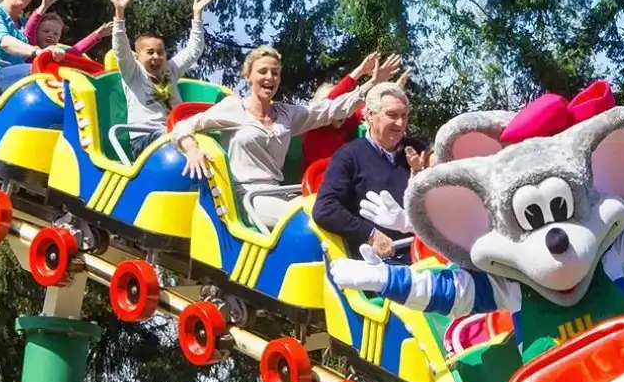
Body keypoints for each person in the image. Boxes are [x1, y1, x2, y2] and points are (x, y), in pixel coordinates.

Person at [170, 45, 367, 231]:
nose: (269, 77)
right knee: (306, 218)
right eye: (263, 71)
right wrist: (191, 148)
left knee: (326, 209)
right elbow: (182, 126)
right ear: (248, 76)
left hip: (278, 192)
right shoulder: (233, 107)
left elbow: (328, 109)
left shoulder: (285, 114)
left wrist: (368, 86)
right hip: (246, 197)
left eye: (275, 73)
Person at [311, 82, 429, 262]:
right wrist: (371, 234)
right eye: (392, 115)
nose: (400, 123)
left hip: (425, 250)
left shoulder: (418, 151)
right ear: (370, 116)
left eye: (404, 116)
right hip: (380, 262)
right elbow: (325, 209)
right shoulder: (348, 156)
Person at [103, 0, 215, 158]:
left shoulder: (171, 69)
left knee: (208, 138)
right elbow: (121, 49)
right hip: (145, 138)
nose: (156, 56)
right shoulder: (133, 73)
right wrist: (119, 15)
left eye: (160, 52)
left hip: (177, 133)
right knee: (173, 137)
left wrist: (197, 16)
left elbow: (194, 50)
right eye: (150, 52)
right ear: (138, 56)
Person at [301, 52, 410, 167]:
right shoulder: (312, 124)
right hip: (316, 179)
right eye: (340, 104)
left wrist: (392, 91)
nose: (343, 110)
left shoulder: (344, 122)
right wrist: (360, 71)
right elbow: (334, 99)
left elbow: (371, 107)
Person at [24, 8, 112, 58]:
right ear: (36, 32)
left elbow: (77, 50)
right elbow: (29, 30)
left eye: (56, 34)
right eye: (46, 31)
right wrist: (42, 9)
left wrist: (97, 35)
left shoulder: (58, 54)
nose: (51, 35)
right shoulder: (30, 47)